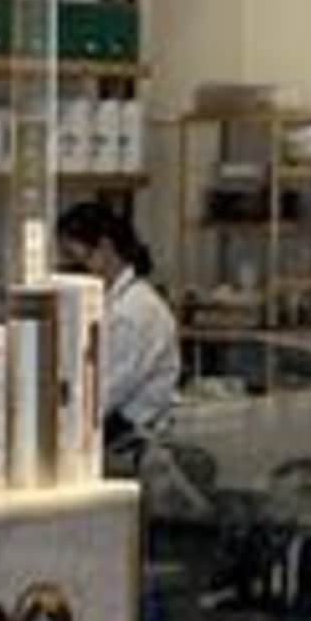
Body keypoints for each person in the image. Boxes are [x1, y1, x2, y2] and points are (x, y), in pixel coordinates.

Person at [54, 196, 183, 458]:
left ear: (104, 248)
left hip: (134, 441)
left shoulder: (135, 312)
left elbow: (104, 395)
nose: (70, 267)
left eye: (74, 256)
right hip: (119, 431)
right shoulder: (115, 301)